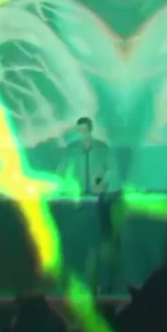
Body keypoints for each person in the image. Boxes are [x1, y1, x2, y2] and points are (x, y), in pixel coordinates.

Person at [54, 117, 121, 293]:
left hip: (99, 202)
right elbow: (61, 170)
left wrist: (102, 184)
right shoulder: (72, 149)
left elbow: (111, 169)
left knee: (100, 244)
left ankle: (102, 285)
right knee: (77, 243)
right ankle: (76, 283)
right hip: (79, 202)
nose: (82, 134)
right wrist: (65, 186)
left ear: (90, 130)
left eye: (85, 130)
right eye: (80, 130)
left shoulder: (102, 148)